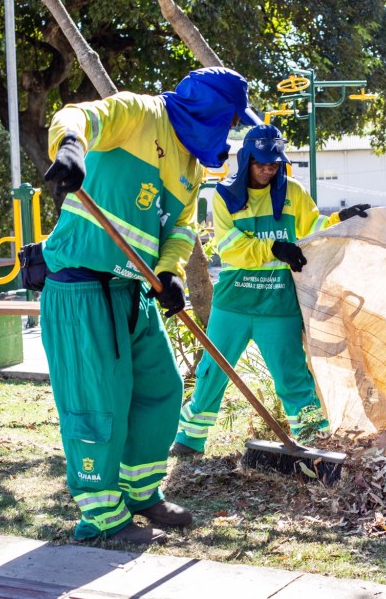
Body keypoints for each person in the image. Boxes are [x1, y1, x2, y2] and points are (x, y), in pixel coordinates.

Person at [39, 67, 262, 544]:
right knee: (96, 405)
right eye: (229, 121)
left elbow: (180, 228)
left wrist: (169, 272)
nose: (230, 132)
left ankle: (142, 491)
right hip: (81, 287)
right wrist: (73, 149)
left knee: (160, 390)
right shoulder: (140, 113)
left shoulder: (193, 165)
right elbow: (76, 116)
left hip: (134, 290)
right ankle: (101, 515)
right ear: (208, 111)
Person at [169, 124, 370, 457]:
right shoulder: (224, 195)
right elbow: (230, 248)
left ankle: (312, 444)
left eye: (274, 163)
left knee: (293, 377)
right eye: (260, 162)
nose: (267, 169)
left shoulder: (293, 193)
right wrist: (274, 249)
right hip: (233, 304)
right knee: (211, 373)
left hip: (279, 306)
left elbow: (312, 229)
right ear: (246, 158)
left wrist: (340, 220)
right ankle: (190, 440)